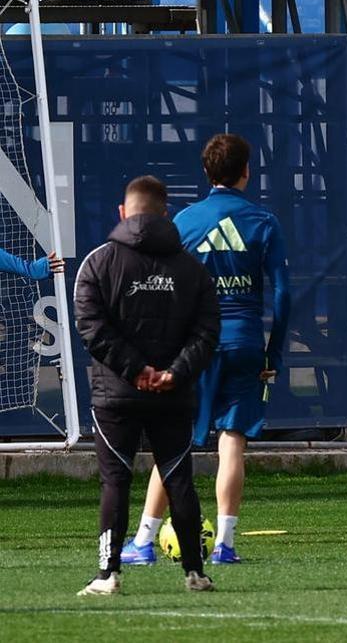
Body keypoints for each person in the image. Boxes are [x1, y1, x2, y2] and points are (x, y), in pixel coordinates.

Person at [122, 134, 291, 566]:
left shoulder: (185, 222)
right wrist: (275, 353)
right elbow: (284, 293)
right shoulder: (263, 221)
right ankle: (225, 545)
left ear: (206, 171)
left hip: (196, 346)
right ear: (246, 171)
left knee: (176, 443)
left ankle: (143, 541)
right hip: (246, 342)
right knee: (232, 442)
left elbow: (163, 285)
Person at [74, 175, 219, 594]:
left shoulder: (97, 263)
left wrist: (134, 369)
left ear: (124, 212)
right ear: (165, 213)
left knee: (115, 480)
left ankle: (108, 574)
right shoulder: (192, 269)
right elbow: (207, 332)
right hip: (173, 396)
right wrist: (175, 372)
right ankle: (196, 573)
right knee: (178, 480)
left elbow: (91, 328)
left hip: (115, 395)